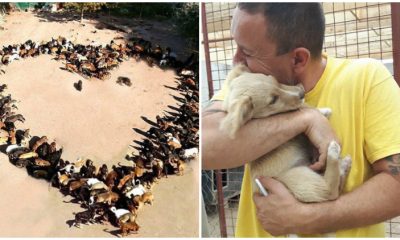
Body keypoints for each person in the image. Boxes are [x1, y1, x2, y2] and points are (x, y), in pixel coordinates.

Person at [202, 3, 400, 237]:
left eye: (247, 53)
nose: (236, 61)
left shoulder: (367, 79)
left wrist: (309, 218)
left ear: (298, 59)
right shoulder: (249, 81)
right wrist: (305, 118)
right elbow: (203, 145)